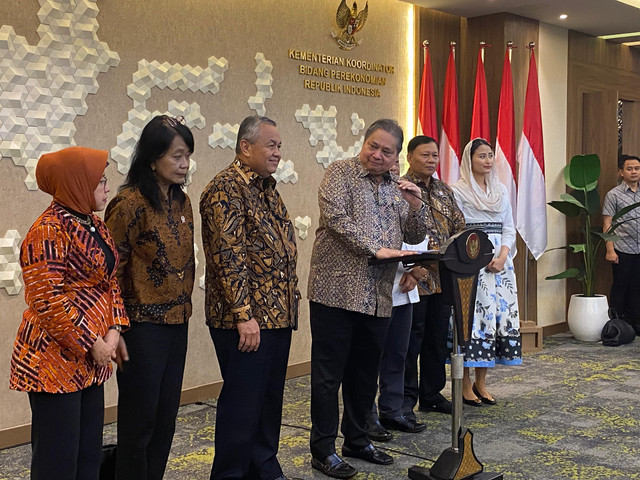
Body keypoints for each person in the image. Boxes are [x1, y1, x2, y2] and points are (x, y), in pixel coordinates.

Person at [308, 119, 428, 479]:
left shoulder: (397, 186)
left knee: (364, 373)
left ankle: (357, 440)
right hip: (335, 293)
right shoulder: (339, 173)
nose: (377, 155)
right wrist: (378, 251)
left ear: (396, 158)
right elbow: (336, 220)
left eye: (386, 151)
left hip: (378, 296)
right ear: (363, 143)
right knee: (329, 376)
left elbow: (414, 233)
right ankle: (323, 450)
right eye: (372, 146)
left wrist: (417, 206)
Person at [10, 146, 129, 480]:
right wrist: (94, 342)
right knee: (57, 461)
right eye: (100, 181)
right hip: (53, 362)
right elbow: (48, 302)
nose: (107, 187)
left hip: (91, 362)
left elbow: (109, 283)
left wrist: (115, 330)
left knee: (87, 457)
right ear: (77, 184)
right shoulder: (47, 231)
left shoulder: (94, 224)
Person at [200, 115, 300, 480]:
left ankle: (263, 466)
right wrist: (244, 314)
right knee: (242, 407)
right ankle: (229, 474)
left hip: (276, 316)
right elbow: (228, 257)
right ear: (245, 147)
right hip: (246, 321)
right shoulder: (226, 189)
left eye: (279, 146)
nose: (277, 152)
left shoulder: (265, 188)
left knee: (268, 401)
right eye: (271, 145)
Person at [104, 115, 196, 480]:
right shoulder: (127, 204)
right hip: (140, 327)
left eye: (187, 155)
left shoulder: (182, 201)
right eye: (176, 156)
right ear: (152, 158)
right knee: (139, 424)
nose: (184, 164)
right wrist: (117, 327)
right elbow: (109, 271)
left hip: (177, 324)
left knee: (165, 420)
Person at [451, 138, 522, 406]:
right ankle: (465, 383)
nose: (488, 160)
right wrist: (477, 256)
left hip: (500, 266)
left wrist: (503, 256)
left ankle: (482, 382)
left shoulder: (500, 190)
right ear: (469, 160)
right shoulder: (457, 191)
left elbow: (508, 227)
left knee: (494, 320)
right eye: (482, 156)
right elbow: (457, 230)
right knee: (472, 322)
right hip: (470, 264)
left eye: (491, 155)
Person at [402, 136, 465, 421]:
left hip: (443, 276)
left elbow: (459, 225)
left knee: (437, 338)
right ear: (409, 156)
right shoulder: (400, 188)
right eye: (425, 155)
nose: (431, 160)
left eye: (434, 155)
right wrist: (415, 266)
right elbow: (397, 232)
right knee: (410, 340)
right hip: (413, 277)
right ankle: (405, 399)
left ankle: (431, 394)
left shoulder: (444, 190)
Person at [368, 157, 428, 440]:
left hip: (403, 291)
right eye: (386, 170)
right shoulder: (367, 202)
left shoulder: (409, 202)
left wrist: (417, 270)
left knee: (398, 356)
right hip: (371, 291)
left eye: (394, 169)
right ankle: (366, 417)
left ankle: (392, 411)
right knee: (369, 359)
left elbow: (421, 242)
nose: (391, 174)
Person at [603, 154, 640, 334]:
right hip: (622, 248)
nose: (634, 172)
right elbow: (607, 223)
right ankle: (616, 325)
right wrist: (610, 249)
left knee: (637, 287)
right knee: (620, 287)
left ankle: (635, 324)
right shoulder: (614, 195)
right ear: (621, 172)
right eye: (629, 169)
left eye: (637, 168)